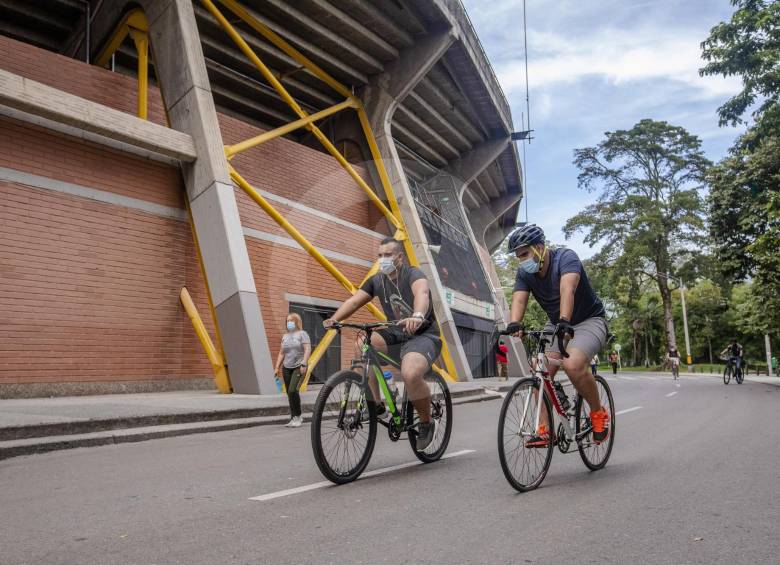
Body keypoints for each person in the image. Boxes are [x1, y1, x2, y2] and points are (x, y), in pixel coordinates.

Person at [323, 237, 442, 452]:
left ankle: (426, 423)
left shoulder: (413, 274)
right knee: (363, 345)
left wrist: (417, 315)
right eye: (380, 256)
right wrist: (335, 319)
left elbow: (422, 293)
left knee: (411, 374)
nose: (382, 260)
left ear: (399, 257)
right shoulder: (377, 280)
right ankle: (377, 405)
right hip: (397, 333)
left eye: (387, 255)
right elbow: (354, 301)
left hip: (423, 335)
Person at [504, 224, 610, 446]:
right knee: (539, 367)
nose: (521, 260)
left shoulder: (566, 258)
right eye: (518, 256)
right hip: (557, 324)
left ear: (540, 247)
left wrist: (564, 320)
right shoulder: (525, 272)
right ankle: (545, 429)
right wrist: (514, 323)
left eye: (524, 254)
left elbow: (567, 290)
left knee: (573, 365)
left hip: (588, 321)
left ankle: (598, 413)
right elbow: (520, 299)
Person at [274, 313, 311, 428]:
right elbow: (281, 352)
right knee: (290, 394)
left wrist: (304, 363)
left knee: (292, 390)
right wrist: (276, 367)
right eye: (287, 320)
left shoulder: (302, 334)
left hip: (298, 366)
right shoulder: (285, 336)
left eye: (291, 320)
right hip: (286, 367)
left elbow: (307, 348)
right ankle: (293, 418)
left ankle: (298, 416)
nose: (289, 322)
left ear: (296, 322)